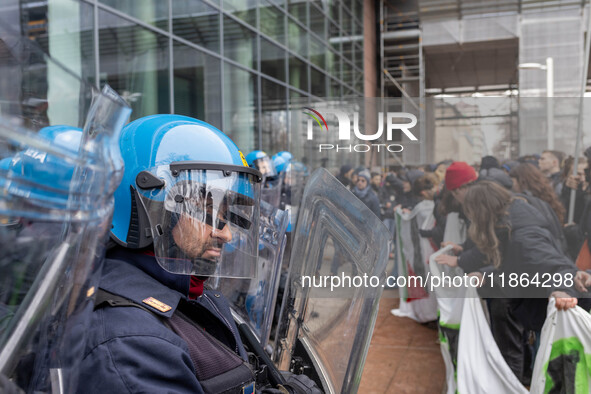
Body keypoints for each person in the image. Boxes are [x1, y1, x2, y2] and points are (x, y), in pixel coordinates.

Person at [77, 115, 319, 393]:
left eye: (227, 215)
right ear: (151, 207)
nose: (226, 234)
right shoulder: (128, 341)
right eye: (209, 212)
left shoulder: (184, 291)